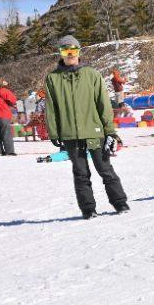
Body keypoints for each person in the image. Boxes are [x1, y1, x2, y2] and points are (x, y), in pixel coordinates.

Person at [43, 34, 129, 219]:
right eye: (65, 50)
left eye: (73, 50)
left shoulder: (92, 74)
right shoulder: (52, 79)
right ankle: (88, 209)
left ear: (78, 51)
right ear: (60, 53)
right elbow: (51, 108)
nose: (70, 54)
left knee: (105, 169)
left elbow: (104, 105)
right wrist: (54, 131)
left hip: (94, 131)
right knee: (81, 173)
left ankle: (120, 203)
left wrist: (110, 131)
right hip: (70, 134)